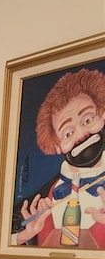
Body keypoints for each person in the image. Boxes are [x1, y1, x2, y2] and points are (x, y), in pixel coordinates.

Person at [12, 67, 105, 248]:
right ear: (57, 146)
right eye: (68, 133)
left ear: (102, 115)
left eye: (87, 120)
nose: (81, 135)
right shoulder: (48, 197)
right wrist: (27, 235)